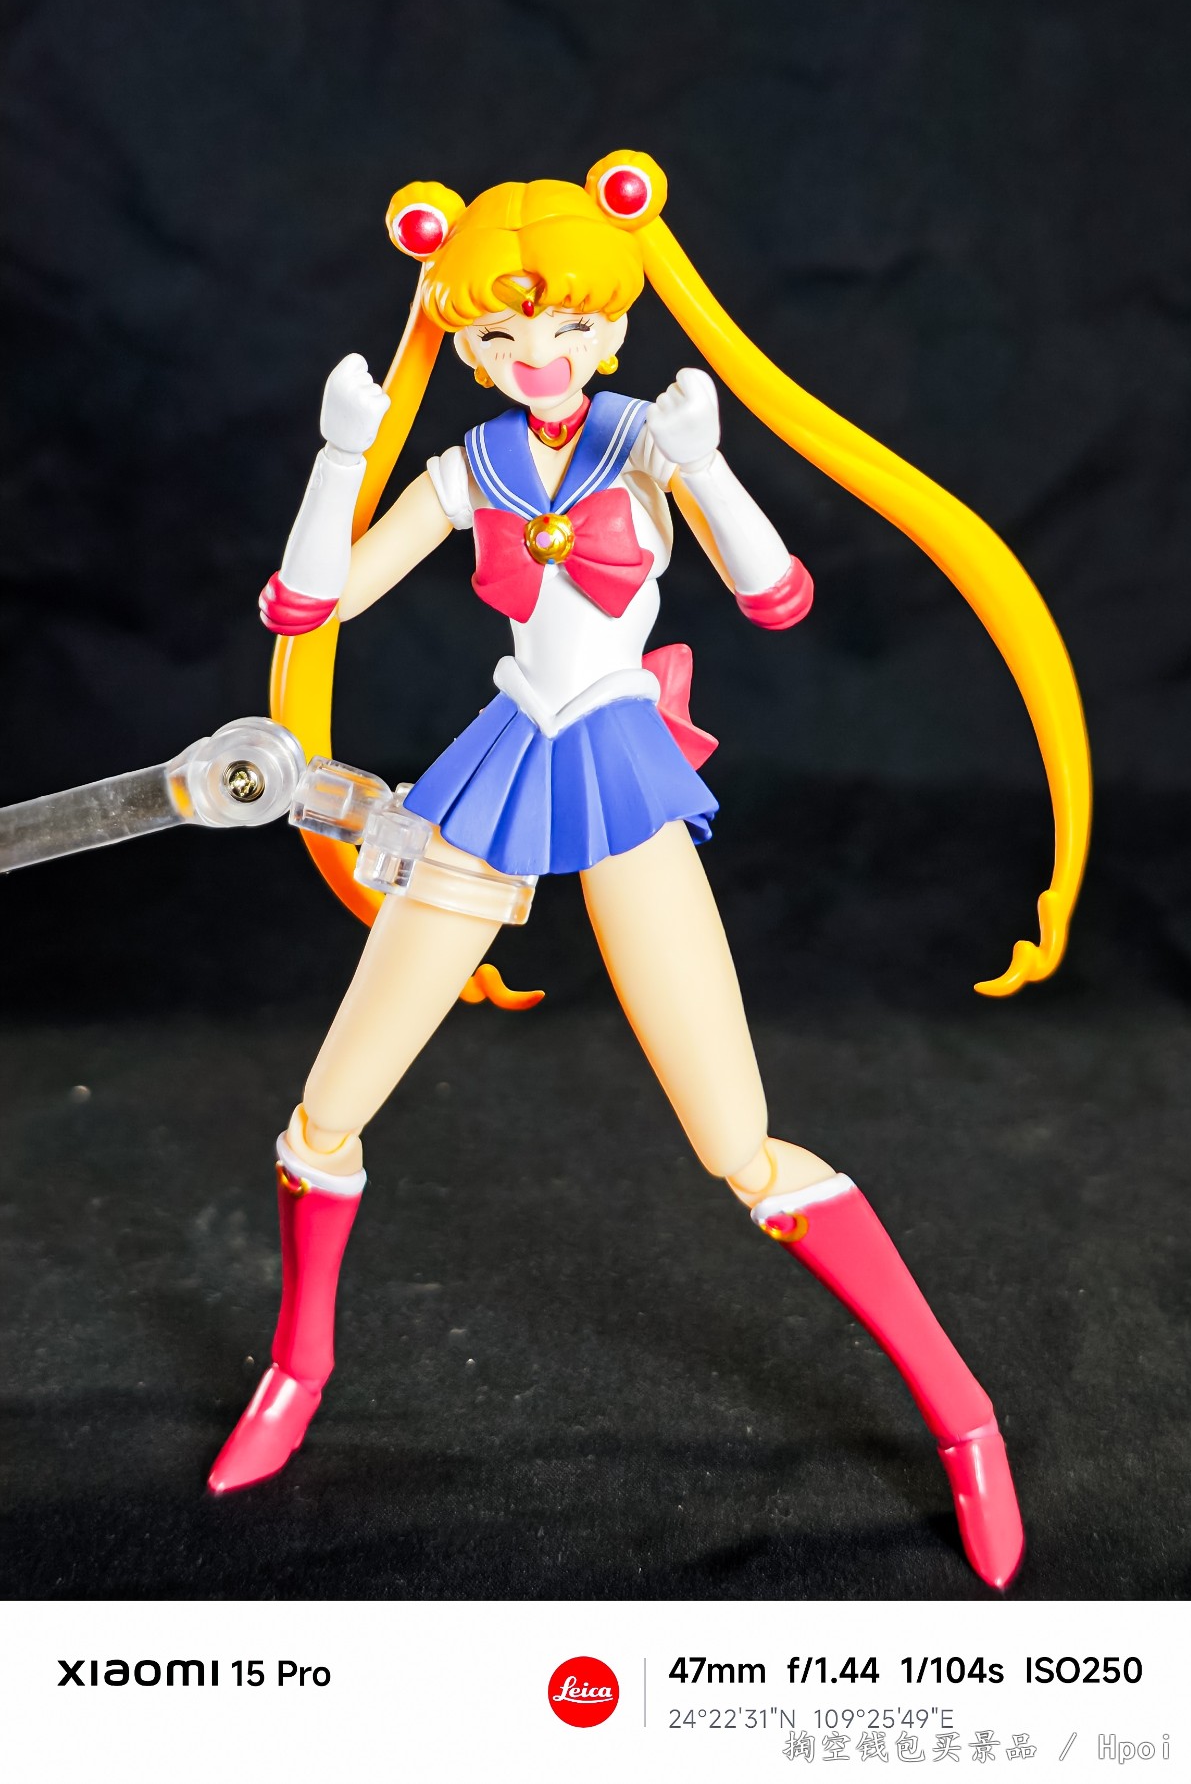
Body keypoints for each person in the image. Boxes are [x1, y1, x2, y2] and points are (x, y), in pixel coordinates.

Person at [209, 153, 1092, 1591]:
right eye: (506, 331)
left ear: (614, 325)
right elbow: (308, 604)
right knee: (326, 1113)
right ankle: (298, 1368)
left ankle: (962, 1411)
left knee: (741, 1146)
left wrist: (706, 461)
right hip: (500, 766)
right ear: (467, 338)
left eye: (566, 325)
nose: (537, 353)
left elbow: (777, 595)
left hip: (620, 770)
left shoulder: (644, 439)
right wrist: (337, 456)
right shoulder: (467, 468)